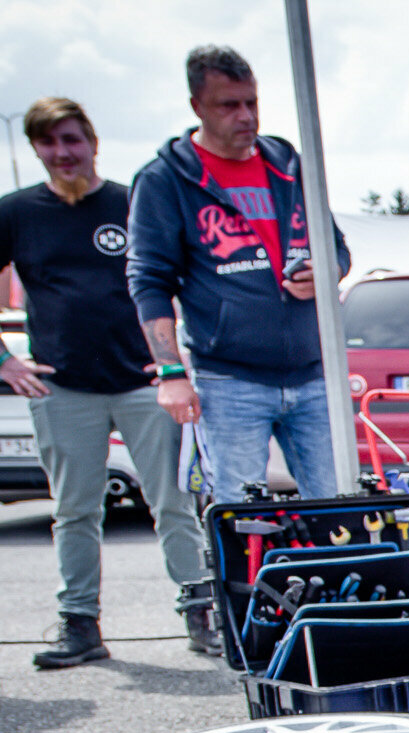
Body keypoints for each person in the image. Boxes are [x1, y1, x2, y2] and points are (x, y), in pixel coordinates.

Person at [0, 96, 219, 668]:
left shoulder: (132, 204)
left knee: (173, 501)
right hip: (64, 386)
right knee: (75, 509)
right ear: (36, 149)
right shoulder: (14, 213)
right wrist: (4, 359)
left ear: (92, 141)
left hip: (143, 383)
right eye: (49, 143)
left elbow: (182, 280)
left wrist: (175, 361)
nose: (62, 152)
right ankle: (79, 623)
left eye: (72, 139)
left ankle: (201, 612)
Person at [125, 44, 350, 504]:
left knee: (340, 509)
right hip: (231, 381)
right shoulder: (165, 180)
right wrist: (171, 371)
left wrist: (328, 272)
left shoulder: (287, 164)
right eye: (229, 105)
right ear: (197, 107)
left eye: (252, 102)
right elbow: (149, 281)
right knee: (241, 518)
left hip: (314, 373)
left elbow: (339, 248)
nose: (245, 116)